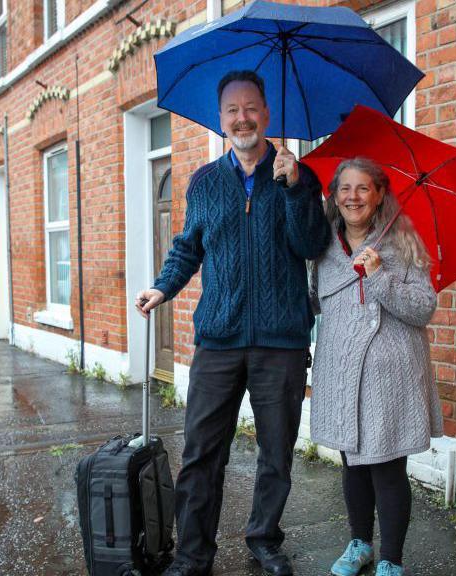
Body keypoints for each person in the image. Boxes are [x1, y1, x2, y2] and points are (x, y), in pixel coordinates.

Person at [135, 70, 330, 576]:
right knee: (201, 454)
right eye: (232, 111)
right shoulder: (204, 182)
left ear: (266, 115)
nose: (242, 118)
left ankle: (264, 539)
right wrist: (163, 286)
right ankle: (193, 554)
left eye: (251, 108)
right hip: (218, 339)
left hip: (280, 341)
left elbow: (313, 245)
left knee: (276, 454)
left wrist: (292, 187)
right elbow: (188, 248)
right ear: (221, 121)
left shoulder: (299, 177)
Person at [309, 158, 442, 576]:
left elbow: (423, 309)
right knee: (352, 464)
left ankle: (391, 560)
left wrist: (380, 275)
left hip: (392, 377)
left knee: (387, 467)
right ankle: (360, 544)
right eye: (345, 188)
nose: (353, 197)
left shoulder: (402, 241)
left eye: (363, 188)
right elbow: (313, 301)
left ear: (379, 193)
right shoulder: (323, 246)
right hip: (344, 370)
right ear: (334, 194)